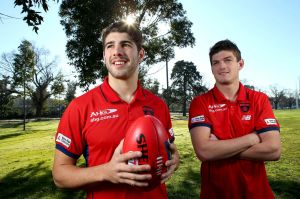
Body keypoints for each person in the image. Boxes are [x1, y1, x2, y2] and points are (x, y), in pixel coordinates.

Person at [52, 21, 179, 199]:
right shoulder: (80, 107)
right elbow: (60, 175)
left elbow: (166, 149)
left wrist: (174, 160)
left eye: (125, 44)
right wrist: (107, 171)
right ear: (104, 55)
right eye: (110, 46)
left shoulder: (159, 105)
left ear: (141, 54)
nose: (117, 51)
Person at [188, 39, 281, 199]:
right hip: (215, 194)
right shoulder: (200, 102)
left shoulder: (259, 99)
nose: (222, 66)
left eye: (228, 60)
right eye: (216, 62)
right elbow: (204, 151)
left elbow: (273, 149)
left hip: (257, 193)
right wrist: (252, 138)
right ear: (211, 68)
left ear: (240, 64)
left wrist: (219, 148)